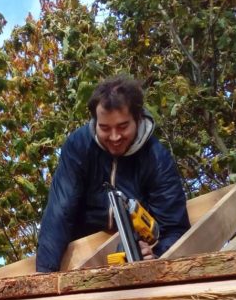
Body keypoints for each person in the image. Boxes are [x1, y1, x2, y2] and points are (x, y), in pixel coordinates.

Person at [36, 75, 190, 272]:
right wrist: (45, 277)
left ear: (138, 118)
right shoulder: (79, 146)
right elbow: (59, 214)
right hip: (82, 260)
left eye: (123, 126)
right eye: (105, 128)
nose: (115, 137)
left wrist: (156, 255)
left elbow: (175, 227)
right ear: (95, 121)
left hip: (134, 263)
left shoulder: (156, 158)